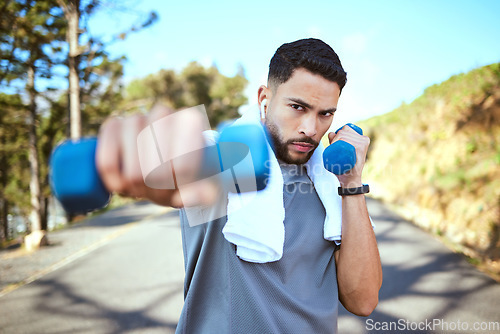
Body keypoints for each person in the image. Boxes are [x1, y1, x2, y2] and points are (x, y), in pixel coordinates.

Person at [96, 38, 382, 333]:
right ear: (264, 99)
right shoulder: (222, 157)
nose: (310, 129)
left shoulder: (331, 181)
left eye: (325, 114)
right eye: (297, 107)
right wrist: (137, 153)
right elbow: (169, 169)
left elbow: (362, 301)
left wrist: (352, 183)